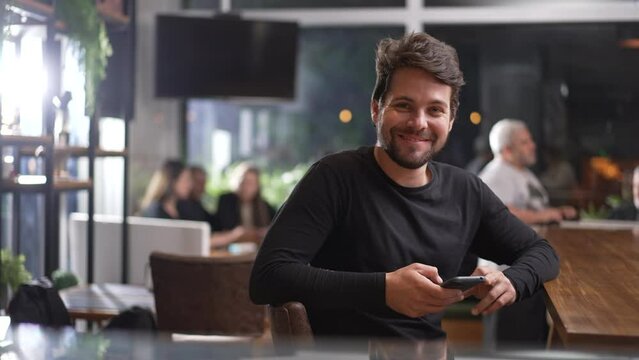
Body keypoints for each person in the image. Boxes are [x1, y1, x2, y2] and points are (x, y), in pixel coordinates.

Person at [249, 32, 559, 340]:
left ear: (450, 120)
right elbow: (268, 276)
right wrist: (383, 289)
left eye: (435, 110)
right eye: (404, 105)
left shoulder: (465, 191)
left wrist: (512, 282)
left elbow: (541, 252)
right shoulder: (334, 177)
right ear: (376, 109)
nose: (419, 122)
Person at [479, 119, 577, 225]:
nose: (533, 146)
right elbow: (501, 214)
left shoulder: (523, 172)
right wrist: (541, 216)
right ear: (507, 150)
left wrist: (557, 212)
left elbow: (534, 207)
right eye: (524, 143)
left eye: (531, 140)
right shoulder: (496, 174)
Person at [215, 162, 276, 244]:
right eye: (243, 182)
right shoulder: (225, 201)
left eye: (250, 183)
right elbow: (222, 229)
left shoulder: (264, 206)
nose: (245, 187)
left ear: (257, 186)